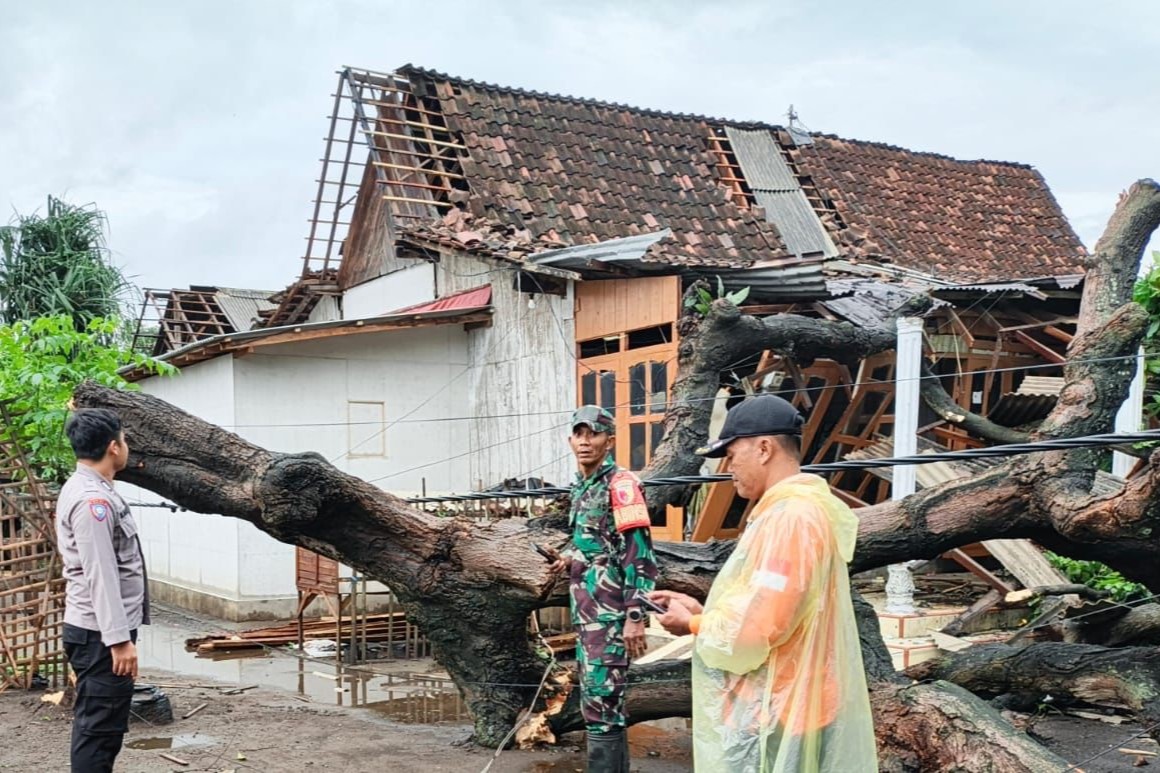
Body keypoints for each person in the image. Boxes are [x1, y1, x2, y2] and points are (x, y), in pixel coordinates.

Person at [649, 394, 876, 772]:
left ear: (765, 448)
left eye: (732, 454)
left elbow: (755, 632)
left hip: (784, 705)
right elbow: (773, 606)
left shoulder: (790, 519)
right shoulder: (798, 511)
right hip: (798, 697)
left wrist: (690, 624)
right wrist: (702, 612)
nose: (729, 467)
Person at [547, 405, 658, 773]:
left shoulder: (621, 486)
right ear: (569, 440)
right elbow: (595, 543)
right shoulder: (583, 486)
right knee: (600, 703)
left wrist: (636, 617)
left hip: (610, 617)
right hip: (588, 614)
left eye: (593, 433)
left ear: (609, 441)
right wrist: (567, 557)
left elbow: (638, 554)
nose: (584, 441)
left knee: (601, 703)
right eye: (578, 434)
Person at [56, 408, 150, 773]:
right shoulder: (91, 502)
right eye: (124, 440)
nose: (126, 447)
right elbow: (100, 572)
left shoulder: (91, 489)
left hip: (99, 632)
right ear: (114, 447)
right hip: (100, 635)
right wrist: (119, 640)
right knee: (100, 731)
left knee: (102, 728)